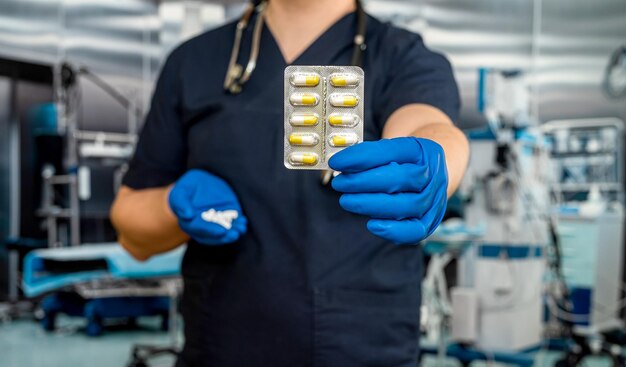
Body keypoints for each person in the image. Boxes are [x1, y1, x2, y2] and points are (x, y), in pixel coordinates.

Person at [110, 0, 469, 365]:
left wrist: (435, 158)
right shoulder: (193, 62)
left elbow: (427, 124)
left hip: (365, 347)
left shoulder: (403, 57)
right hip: (221, 344)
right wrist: (174, 203)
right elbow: (132, 230)